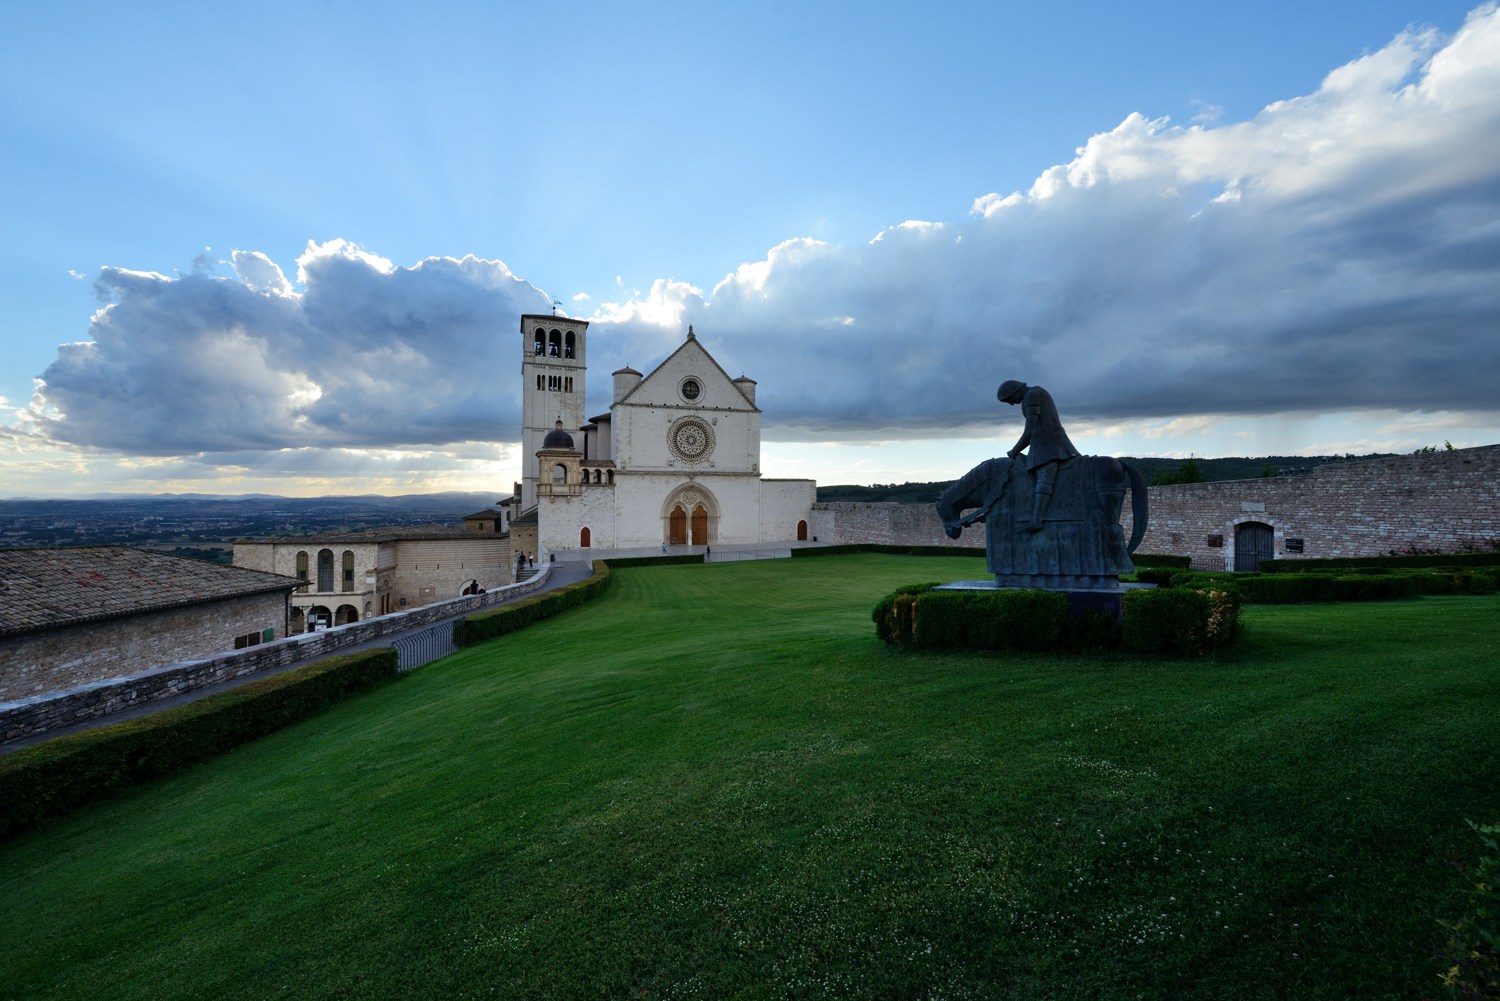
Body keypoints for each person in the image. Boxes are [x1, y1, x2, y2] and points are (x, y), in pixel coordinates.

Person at [998, 380, 1081, 532]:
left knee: (1044, 479)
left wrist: (1015, 450)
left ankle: (1036, 519)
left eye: (1009, 400)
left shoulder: (1032, 396)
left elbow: (1029, 431)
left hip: (1048, 444)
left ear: (1015, 392)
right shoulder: (1034, 393)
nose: (1011, 404)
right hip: (1044, 442)